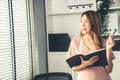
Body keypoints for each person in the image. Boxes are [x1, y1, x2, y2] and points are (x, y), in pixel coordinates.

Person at [66, 10, 115, 80]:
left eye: (86, 21)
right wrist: (85, 65)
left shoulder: (104, 43)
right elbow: (73, 68)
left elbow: (108, 70)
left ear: (93, 23)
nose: (82, 24)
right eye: (81, 21)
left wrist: (108, 49)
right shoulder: (75, 42)